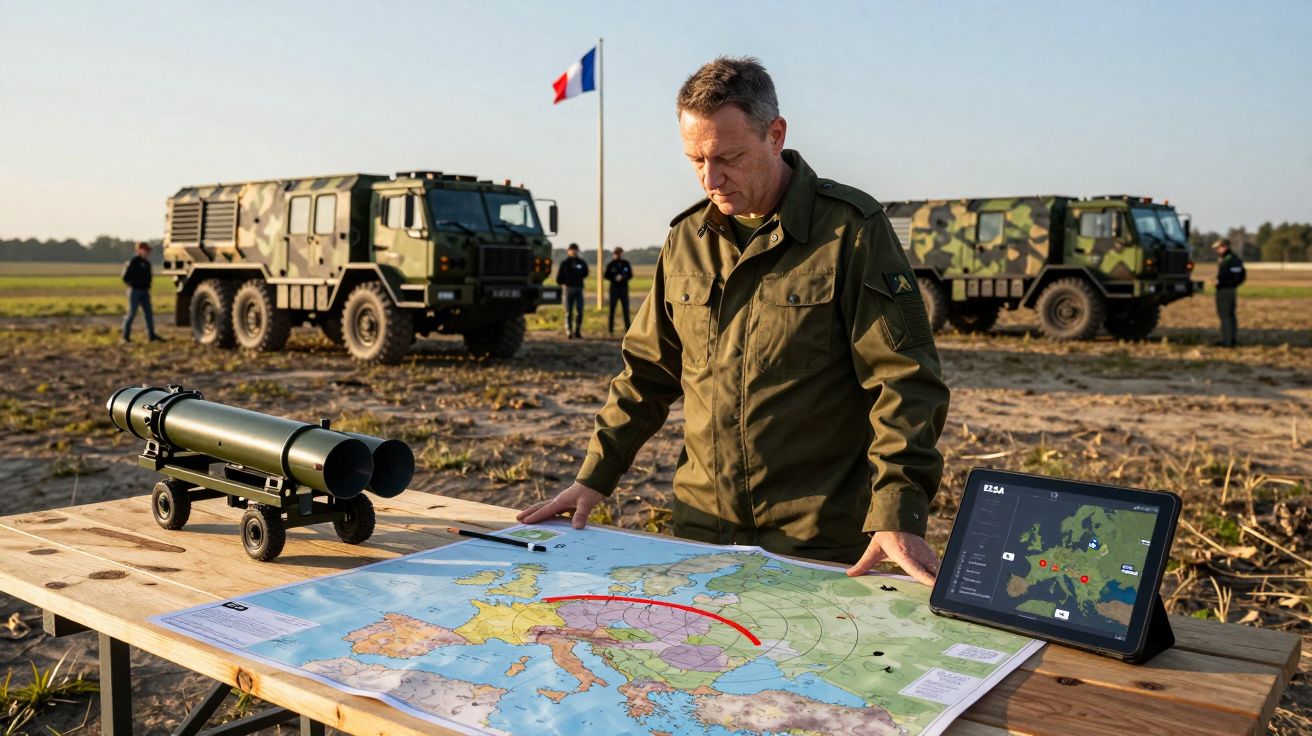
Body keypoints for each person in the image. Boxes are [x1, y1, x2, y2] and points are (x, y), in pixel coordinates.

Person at [519, 57, 950, 586]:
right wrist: (594, 478)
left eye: (728, 157)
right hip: (703, 531)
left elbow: (905, 380)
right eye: (695, 160)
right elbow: (646, 376)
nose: (710, 179)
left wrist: (896, 511)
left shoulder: (851, 232)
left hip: (817, 538)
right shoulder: (686, 240)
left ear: (775, 135)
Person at [121, 241, 162, 343]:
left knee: (148, 314)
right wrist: (133, 284)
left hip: (145, 291)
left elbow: (149, 278)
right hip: (134, 291)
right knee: (131, 313)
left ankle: (151, 336)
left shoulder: (147, 263)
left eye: (148, 251)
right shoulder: (133, 262)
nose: (147, 253)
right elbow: (125, 277)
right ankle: (125, 337)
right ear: (139, 250)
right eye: (146, 250)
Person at [1212, 238, 1245, 347]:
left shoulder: (1228, 260)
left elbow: (1230, 276)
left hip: (1225, 290)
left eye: (1219, 248)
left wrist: (1220, 282)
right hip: (1231, 290)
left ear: (1225, 247)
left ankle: (1227, 342)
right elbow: (1242, 276)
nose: (1217, 251)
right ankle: (1232, 340)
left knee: (1225, 316)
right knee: (1231, 316)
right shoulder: (1234, 259)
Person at [556, 243, 589, 339]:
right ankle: (569, 331)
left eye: (575, 249)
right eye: (572, 249)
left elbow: (585, 272)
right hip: (568, 289)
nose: (574, 251)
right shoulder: (565, 263)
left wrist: (578, 278)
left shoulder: (581, 262)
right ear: (568, 251)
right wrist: (566, 283)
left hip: (579, 288)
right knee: (568, 312)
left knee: (580, 311)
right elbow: (559, 278)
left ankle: (577, 331)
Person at [604, 246, 634, 334]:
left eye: (620, 253)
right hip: (614, 289)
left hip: (624, 289)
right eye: (616, 253)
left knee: (625, 309)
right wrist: (614, 277)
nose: (618, 254)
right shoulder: (610, 264)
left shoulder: (625, 264)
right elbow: (606, 275)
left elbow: (630, 275)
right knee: (612, 309)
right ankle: (610, 330)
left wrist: (623, 277)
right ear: (614, 254)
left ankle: (628, 329)